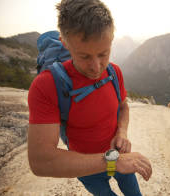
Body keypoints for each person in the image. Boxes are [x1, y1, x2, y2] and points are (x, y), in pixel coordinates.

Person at [27, 0, 152, 195]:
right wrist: (112, 161)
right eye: (84, 56)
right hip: (88, 169)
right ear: (64, 42)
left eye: (104, 54)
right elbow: (40, 161)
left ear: (112, 40)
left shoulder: (114, 72)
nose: (96, 67)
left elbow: (123, 106)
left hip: (120, 156)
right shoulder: (47, 85)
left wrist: (122, 132)